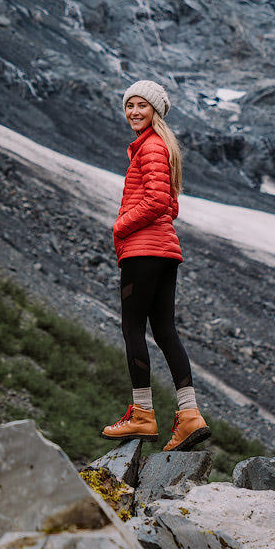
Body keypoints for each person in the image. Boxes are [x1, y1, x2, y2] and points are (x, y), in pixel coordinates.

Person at [102, 79, 210, 452]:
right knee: (165, 330)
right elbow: (171, 205)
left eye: (141, 106)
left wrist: (120, 226)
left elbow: (156, 200)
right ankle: (190, 414)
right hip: (165, 251)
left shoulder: (149, 146)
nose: (133, 112)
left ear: (155, 111)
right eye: (129, 105)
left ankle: (142, 414)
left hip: (143, 251)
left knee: (133, 326)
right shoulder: (162, 147)